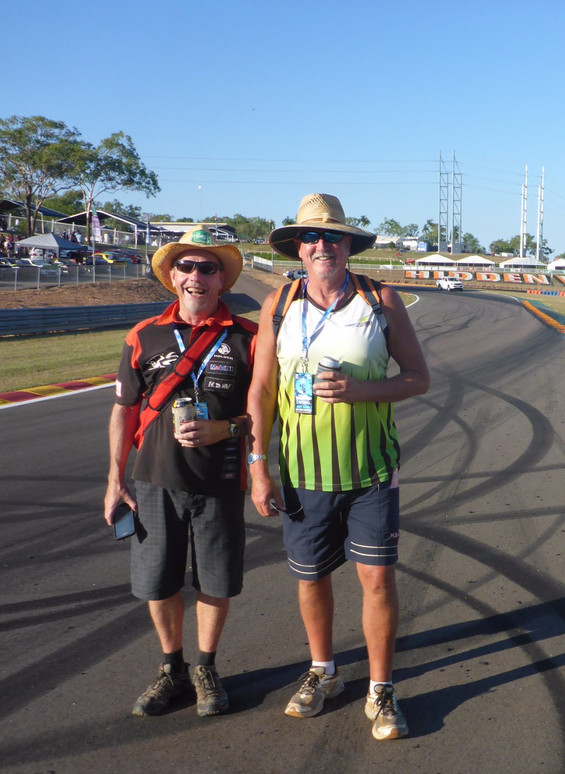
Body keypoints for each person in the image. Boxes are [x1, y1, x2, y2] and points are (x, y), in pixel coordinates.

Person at [246, 193, 429, 740]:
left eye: (332, 236)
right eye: (311, 237)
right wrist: (258, 464)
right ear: (298, 248)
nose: (321, 245)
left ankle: (381, 688)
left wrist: (362, 391)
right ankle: (323, 673)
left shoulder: (381, 299)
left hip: (370, 470)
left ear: (349, 246)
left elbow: (419, 377)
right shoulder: (278, 305)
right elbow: (260, 388)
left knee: (376, 578)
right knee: (311, 578)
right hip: (302, 473)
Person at [104, 226, 256, 718]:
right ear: (172, 276)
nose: (196, 277)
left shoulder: (249, 338)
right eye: (187, 267)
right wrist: (114, 479)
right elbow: (124, 409)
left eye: (207, 268)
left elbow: (264, 415)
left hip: (222, 481)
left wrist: (227, 430)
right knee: (159, 582)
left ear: (221, 280)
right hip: (153, 480)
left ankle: (206, 668)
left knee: (214, 581)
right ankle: (172, 668)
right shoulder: (143, 335)